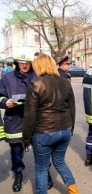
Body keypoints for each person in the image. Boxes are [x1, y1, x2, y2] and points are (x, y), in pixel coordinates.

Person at [22, 54, 78, 194]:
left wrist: (25, 138)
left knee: (41, 169)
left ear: (38, 67)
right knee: (60, 161)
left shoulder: (36, 84)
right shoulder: (66, 82)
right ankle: (73, 190)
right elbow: (72, 108)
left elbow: (30, 116)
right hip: (64, 130)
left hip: (43, 133)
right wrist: (70, 129)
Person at [0, 54, 37, 192]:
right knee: (16, 152)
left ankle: (45, 173)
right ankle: (18, 174)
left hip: (35, 120)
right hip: (14, 119)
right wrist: (5, 102)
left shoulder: (37, 76)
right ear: (17, 63)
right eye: (21, 62)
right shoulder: (7, 78)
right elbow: (0, 95)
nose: (25, 65)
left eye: (27, 62)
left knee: (41, 151)